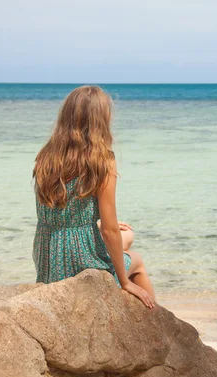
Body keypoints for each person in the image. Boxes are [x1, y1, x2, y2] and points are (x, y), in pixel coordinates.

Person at [32, 85, 155, 308]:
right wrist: (124, 281)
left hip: (48, 256)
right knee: (135, 260)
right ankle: (156, 324)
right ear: (100, 120)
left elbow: (59, 211)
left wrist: (92, 224)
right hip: (80, 262)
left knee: (126, 235)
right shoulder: (102, 161)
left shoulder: (46, 156)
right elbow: (109, 230)